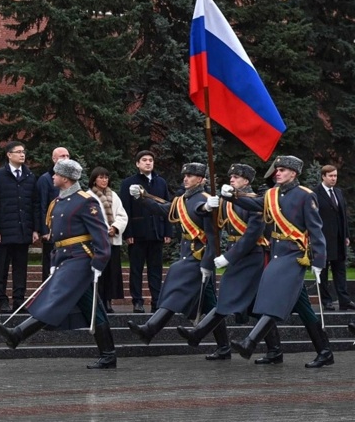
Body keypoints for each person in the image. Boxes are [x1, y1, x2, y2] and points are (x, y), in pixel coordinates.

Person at [0, 159, 115, 369]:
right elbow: (58, 237)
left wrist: (100, 260)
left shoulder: (85, 201)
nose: (52, 176)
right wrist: (55, 260)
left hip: (80, 259)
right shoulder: (59, 202)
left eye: (56, 174)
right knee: (92, 308)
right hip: (65, 259)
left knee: (55, 297)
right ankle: (108, 355)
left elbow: (101, 234)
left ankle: (19, 334)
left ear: (66, 178)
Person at [223, 155, 333, 368]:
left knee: (274, 299)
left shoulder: (305, 196)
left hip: (294, 256)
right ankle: (323, 351)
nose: (278, 173)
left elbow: (316, 230)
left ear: (293, 173)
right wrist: (233, 196)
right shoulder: (271, 194)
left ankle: (250, 342)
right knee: (303, 308)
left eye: (282, 170)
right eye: (277, 170)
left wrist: (319, 260)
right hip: (277, 254)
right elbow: (254, 203)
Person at [126, 163, 225, 354]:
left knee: (174, 280)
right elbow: (164, 209)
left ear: (202, 179)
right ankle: (224, 346)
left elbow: (214, 237)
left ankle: (150, 329)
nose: (186, 178)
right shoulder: (182, 200)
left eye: (191, 175)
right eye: (185, 175)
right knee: (209, 304)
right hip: (188, 255)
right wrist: (142, 198)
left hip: (199, 257)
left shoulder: (206, 200)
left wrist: (207, 263)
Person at [176, 164, 266, 361]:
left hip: (251, 256)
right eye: (231, 176)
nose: (232, 179)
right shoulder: (227, 201)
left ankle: (198, 332)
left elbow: (252, 235)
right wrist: (208, 207)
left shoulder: (256, 202)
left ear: (247, 181)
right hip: (236, 255)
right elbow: (210, 223)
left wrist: (229, 257)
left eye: (237, 177)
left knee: (227, 295)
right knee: (253, 307)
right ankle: (274, 349)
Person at [0, 141, 40, 314]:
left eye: (23, 152)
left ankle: (19, 300)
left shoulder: (29, 176)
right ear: (9, 155)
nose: (22, 155)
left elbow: (34, 204)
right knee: (1, 268)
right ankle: (2, 301)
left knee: (20, 269)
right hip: (3, 232)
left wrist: (35, 229)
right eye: (18, 152)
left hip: (23, 230)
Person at [119, 150, 172, 313]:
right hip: (138, 233)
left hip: (157, 232)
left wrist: (168, 231)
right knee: (136, 269)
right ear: (137, 164)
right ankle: (137, 301)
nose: (148, 162)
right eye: (144, 160)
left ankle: (157, 300)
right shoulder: (129, 183)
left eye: (150, 160)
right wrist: (128, 233)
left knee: (155, 269)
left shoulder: (160, 182)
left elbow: (167, 207)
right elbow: (125, 209)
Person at [88, 167, 128, 314]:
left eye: (106, 177)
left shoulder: (114, 195)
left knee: (112, 272)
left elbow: (122, 215)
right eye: (101, 177)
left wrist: (115, 227)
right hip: (97, 243)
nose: (104, 180)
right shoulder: (88, 196)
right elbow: (91, 218)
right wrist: (105, 229)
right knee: (100, 273)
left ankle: (109, 301)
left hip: (113, 241)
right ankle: (98, 301)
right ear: (94, 179)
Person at [313, 165, 352, 311]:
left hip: (339, 238)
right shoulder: (315, 193)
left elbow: (343, 216)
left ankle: (344, 300)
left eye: (335, 176)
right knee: (323, 272)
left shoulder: (338, 192)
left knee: (340, 270)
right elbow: (312, 217)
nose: (334, 179)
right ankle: (326, 300)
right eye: (331, 176)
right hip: (323, 239)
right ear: (323, 176)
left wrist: (346, 235)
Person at [37, 147, 70, 281]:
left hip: (68, 231)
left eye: (68, 156)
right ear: (54, 159)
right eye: (62, 156)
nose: (66, 158)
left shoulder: (71, 180)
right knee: (50, 266)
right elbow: (42, 205)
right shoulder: (45, 179)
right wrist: (45, 230)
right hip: (52, 231)